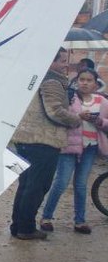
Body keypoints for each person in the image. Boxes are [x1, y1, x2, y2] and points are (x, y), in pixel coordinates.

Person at [9, 48, 83, 240]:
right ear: (50, 61)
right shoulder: (52, 81)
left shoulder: (36, 77)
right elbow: (55, 111)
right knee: (37, 186)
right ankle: (26, 228)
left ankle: (18, 226)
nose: (65, 64)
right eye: (62, 61)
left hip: (26, 140)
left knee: (26, 185)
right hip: (43, 141)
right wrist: (75, 120)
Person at [39, 68, 108, 234]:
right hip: (69, 146)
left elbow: (106, 123)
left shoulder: (102, 101)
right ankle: (46, 217)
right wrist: (79, 117)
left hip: (90, 147)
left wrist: (97, 120)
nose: (84, 83)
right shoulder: (70, 98)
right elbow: (61, 116)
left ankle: (80, 221)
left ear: (96, 83)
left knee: (81, 185)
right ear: (77, 81)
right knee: (61, 182)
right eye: (82, 79)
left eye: (89, 80)